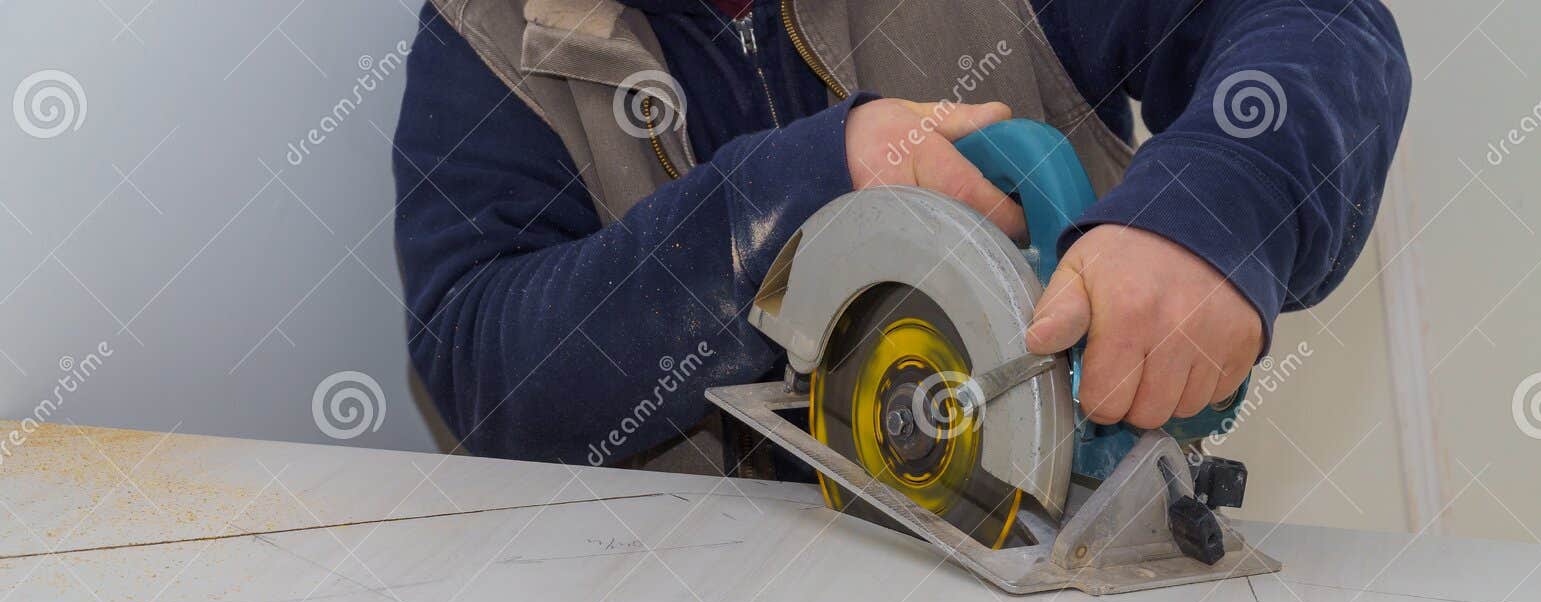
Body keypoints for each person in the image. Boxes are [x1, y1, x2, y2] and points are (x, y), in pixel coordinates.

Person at [394, 0, 1409, 477]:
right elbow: (483, 372)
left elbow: (1317, 26)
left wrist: (1215, 210)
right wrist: (781, 201)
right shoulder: (486, 32)